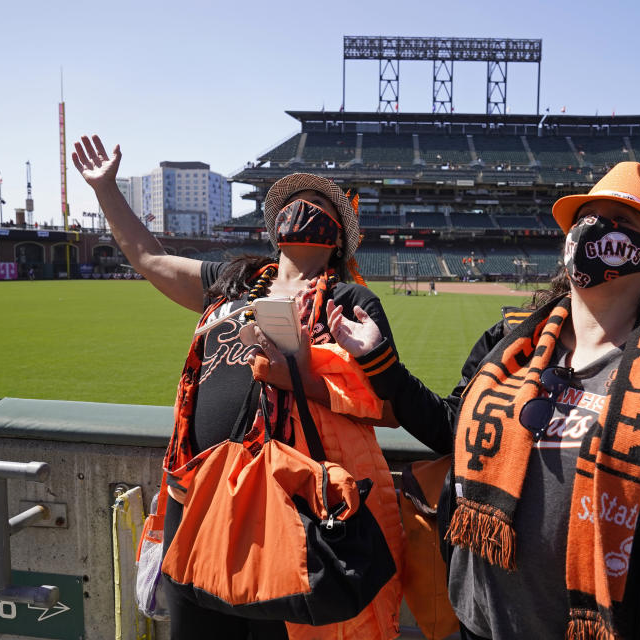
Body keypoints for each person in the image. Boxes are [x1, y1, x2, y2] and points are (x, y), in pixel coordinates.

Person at [328, 162, 640, 639]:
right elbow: (450, 430)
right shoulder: (507, 346)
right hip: (484, 626)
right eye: (585, 218)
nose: (593, 230)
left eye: (619, 223)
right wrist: (379, 361)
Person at [72, 135, 403, 640]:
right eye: (294, 205)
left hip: (284, 508)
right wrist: (106, 190)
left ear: (337, 237)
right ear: (275, 229)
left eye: (318, 207)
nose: (303, 210)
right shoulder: (233, 279)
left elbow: (380, 401)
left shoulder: (349, 300)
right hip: (199, 497)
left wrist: (290, 368)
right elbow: (151, 260)